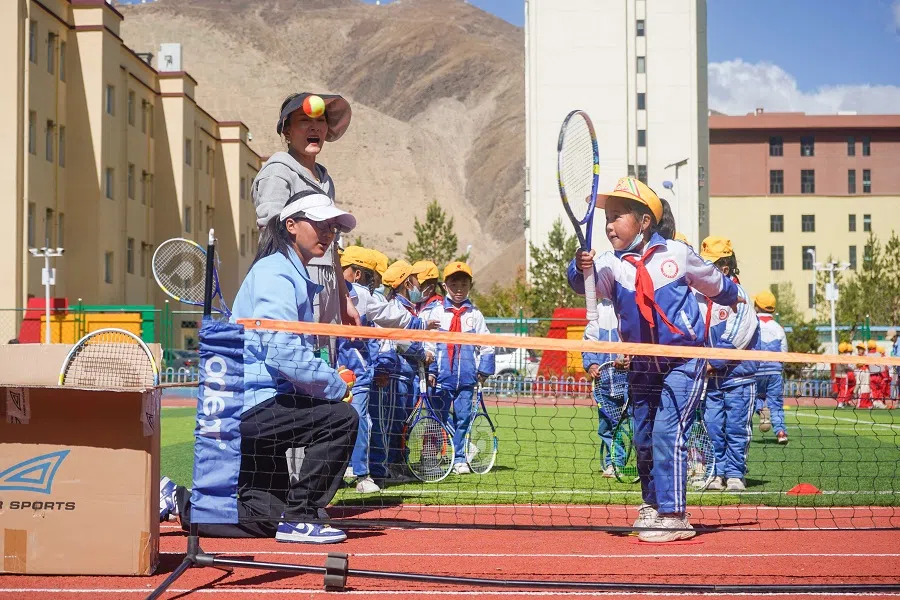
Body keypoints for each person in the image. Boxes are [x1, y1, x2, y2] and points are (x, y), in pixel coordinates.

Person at [160, 191, 360, 544]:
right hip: (250, 406)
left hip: (255, 405)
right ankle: (302, 516)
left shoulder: (286, 272)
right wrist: (335, 386)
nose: (328, 232)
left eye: (332, 226)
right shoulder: (276, 273)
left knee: (265, 517)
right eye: (320, 223)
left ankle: (179, 501)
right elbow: (283, 352)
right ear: (292, 225)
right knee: (340, 419)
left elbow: (284, 351)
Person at [569, 176, 740, 542]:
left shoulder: (677, 254)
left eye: (617, 215)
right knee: (644, 436)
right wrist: (578, 268)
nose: (609, 224)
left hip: (683, 358)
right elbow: (586, 285)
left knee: (667, 431)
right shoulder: (610, 266)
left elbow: (712, 281)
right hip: (642, 362)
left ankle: (675, 514)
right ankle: (652, 504)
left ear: (644, 221)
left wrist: (733, 295)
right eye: (606, 217)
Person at [252, 92, 359, 363]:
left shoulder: (325, 179)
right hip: (295, 281)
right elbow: (271, 236)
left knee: (325, 363)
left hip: (328, 286)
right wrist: (288, 287)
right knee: (297, 362)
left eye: (321, 120)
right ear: (286, 131)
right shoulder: (277, 172)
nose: (315, 127)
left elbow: (331, 245)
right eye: (304, 120)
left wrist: (344, 298)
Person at [337, 247, 428, 493]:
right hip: (330, 374)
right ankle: (335, 474)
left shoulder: (365, 298)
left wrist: (420, 323)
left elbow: (389, 315)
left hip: (359, 374)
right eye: (370, 277)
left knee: (362, 422)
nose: (373, 283)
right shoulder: (325, 295)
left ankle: (362, 475)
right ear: (357, 274)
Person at [695, 238, 760, 492]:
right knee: (712, 426)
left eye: (710, 265)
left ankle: (735, 473)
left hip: (738, 378)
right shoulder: (701, 298)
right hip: (712, 380)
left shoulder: (739, 296)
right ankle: (717, 472)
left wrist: (714, 362)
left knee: (736, 427)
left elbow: (739, 335)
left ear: (724, 268)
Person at [425, 261, 495, 474]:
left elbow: (487, 345)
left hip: (466, 379)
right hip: (441, 378)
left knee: (463, 419)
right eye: (454, 284)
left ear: (470, 287)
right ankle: (431, 457)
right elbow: (429, 343)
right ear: (445, 285)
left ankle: (460, 459)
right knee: (436, 419)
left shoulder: (475, 315)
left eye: (463, 284)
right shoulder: (436, 313)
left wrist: (483, 371)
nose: (458, 289)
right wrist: (431, 371)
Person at [370, 260, 430, 486]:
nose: (418, 285)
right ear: (407, 283)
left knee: (403, 423)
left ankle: (399, 464)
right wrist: (421, 353)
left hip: (409, 375)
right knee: (393, 423)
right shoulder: (395, 308)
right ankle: (389, 466)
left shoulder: (408, 308)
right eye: (415, 279)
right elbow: (398, 341)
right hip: (396, 376)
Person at [581, 300, 629, 477]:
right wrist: (592, 364)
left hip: (627, 381)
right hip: (603, 384)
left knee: (635, 426)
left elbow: (636, 339)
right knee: (606, 426)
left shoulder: (629, 305)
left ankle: (644, 465)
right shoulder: (596, 313)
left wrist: (624, 357)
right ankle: (614, 463)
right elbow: (587, 344)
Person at [752, 291, 789, 442]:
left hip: (755, 369)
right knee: (776, 403)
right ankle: (781, 433)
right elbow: (784, 351)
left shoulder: (752, 324)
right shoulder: (778, 328)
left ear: (756, 306)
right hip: (774, 370)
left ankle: (761, 409)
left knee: (750, 397)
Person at [835, 342, 856, 409]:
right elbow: (845, 366)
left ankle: (841, 402)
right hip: (843, 375)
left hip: (837, 375)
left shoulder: (837, 356)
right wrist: (852, 369)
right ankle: (841, 402)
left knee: (840, 390)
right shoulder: (844, 356)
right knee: (843, 390)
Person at [855, 342, 871, 409]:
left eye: (860, 349)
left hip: (865, 371)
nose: (859, 350)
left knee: (866, 387)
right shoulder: (856, 357)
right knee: (860, 385)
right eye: (858, 348)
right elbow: (857, 365)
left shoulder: (866, 357)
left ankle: (865, 403)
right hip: (860, 371)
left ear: (864, 350)